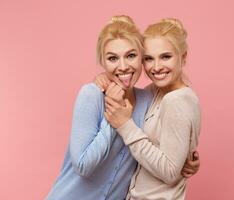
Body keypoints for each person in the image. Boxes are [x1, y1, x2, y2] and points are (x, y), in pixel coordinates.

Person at [46, 15, 199, 200]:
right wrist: (114, 117)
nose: (123, 66)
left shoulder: (148, 99)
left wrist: (186, 159)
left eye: (131, 56)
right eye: (112, 58)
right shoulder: (92, 95)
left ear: (140, 58)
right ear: (103, 62)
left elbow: (159, 146)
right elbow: (82, 166)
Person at [100, 18, 201, 199]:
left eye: (165, 57)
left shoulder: (176, 101)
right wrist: (102, 79)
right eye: (148, 59)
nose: (156, 67)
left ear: (183, 57)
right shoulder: (155, 91)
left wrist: (125, 125)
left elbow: (170, 172)